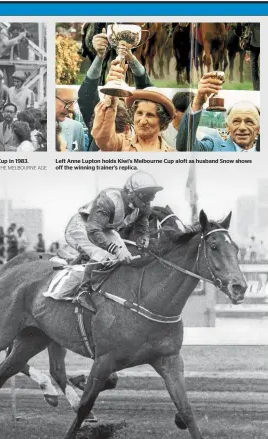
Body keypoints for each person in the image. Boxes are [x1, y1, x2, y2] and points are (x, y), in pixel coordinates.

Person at [65, 171, 163, 313]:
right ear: (131, 193)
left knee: (124, 254)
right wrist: (115, 250)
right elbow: (93, 230)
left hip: (104, 228)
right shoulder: (109, 199)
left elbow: (142, 227)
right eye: (145, 195)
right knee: (104, 253)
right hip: (82, 226)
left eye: (151, 195)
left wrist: (144, 239)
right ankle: (83, 292)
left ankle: (104, 284)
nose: (148, 201)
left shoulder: (144, 207)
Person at [79, 30, 153, 151]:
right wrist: (99, 56)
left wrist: (131, 58)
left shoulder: (140, 120)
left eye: (121, 92)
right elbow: (86, 95)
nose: (118, 94)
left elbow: (149, 95)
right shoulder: (98, 116)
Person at [176, 73, 260, 152]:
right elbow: (185, 147)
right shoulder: (212, 147)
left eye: (249, 122)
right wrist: (197, 103)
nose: (242, 128)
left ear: (259, 129)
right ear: (228, 127)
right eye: (236, 121)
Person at [92, 85, 175, 152]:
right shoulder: (121, 145)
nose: (142, 121)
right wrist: (111, 102)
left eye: (150, 115)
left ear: (162, 122)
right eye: (139, 113)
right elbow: (104, 140)